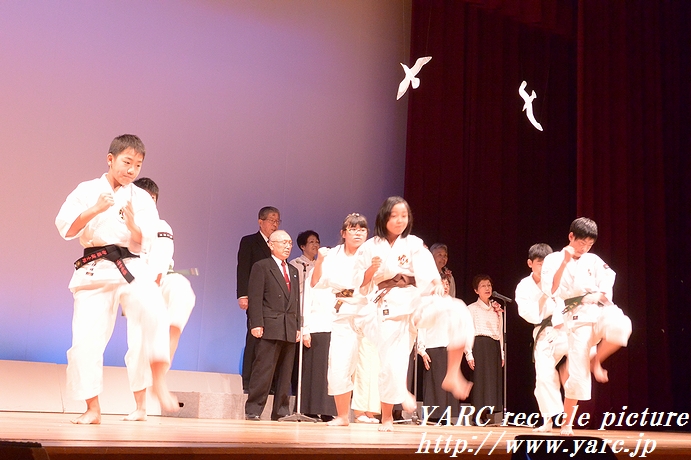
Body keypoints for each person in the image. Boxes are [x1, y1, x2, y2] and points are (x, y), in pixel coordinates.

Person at [55, 134, 177, 424]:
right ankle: (92, 408)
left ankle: (144, 400)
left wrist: (134, 227)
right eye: (127, 162)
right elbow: (66, 229)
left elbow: (147, 242)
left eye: (138, 165)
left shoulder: (142, 198)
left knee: (148, 327)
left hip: (131, 268)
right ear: (110, 159)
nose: (132, 170)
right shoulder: (87, 190)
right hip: (94, 269)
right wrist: (95, 209)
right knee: (85, 342)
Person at [355, 196, 473, 432]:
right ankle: (387, 417)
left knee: (458, 310)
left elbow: (430, 275)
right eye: (395, 216)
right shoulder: (369, 247)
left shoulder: (415, 244)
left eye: (404, 216)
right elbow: (359, 284)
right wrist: (371, 270)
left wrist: (436, 284)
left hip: (416, 301)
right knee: (391, 363)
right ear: (384, 217)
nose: (400, 220)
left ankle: (452, 374)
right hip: (387, 304)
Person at [540, 217, 631, 435]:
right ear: (571, 236)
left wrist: (598, 295)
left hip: (598, 310)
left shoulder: (593, 260)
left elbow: (607, 282)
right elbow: (551, 290)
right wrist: (564, 262)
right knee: (578, 375)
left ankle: (596, 360)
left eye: (590, 244)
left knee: (621, 325)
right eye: (582, 243)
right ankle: (567, 423)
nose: (585, 248)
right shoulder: (553, 259)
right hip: (576, 319)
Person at [123, 177, 197, 421]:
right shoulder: (120, 225)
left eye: (151, 199)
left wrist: (156, 274)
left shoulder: (161, 225)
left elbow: (163, 256)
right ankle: (140, 407)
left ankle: (161, 373)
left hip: (161, 279)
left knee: (182, 291)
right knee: (137, 347)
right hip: (133, 286)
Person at [309, 213, 372, 426]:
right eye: (353, 229)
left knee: (370, 365)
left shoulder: (372, 252)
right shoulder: (332, 254)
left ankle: (373, 414)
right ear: (343, 233)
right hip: (343, 313)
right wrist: (319, 260)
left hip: (368, 312)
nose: (358, 233)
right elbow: (316, 283)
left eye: (362, 229)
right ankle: (343, 415)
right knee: (339, 364)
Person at [244, 230, 300, 420]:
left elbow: (296, 301)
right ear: (271, 245)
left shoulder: (293, 271)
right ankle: (253, 410)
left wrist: (298, 326)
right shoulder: (262, 266)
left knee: (285, 373)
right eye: (283, 242)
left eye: (289, 243)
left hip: (289, 326)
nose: (287, 246)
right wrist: (256, 323)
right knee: (263, 370)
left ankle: (281, 411)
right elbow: (255, 297)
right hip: (269, 325)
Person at [515, 243, 568, 432]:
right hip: (544, 333)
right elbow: (529, 314)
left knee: (578, 367)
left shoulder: (560, 279)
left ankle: (568, 421)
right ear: (530, 263)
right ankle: (548, 420)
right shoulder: (524, 286)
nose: (544, 268)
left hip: (566, 329)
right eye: (540, 263)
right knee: (544, 377)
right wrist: (545, 295)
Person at [237, 206, 281, 392]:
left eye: (277, 221)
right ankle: (248, 381)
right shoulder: (249, 241)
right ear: (260, 222)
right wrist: (243, 295)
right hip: (256, 298)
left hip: (274, 301)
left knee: (271, 342)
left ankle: (268, 383)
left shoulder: (278, 245)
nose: (275, 224)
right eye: (272, 220)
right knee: (254, 338)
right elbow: (243, 268)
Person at [416, 273, 472, 421]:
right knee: (435, 385)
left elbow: (462, 331)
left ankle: (449, 416)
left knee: (462, 312)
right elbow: (421, 328)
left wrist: (468, 352)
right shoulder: (429, 303)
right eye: (442, 283)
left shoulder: (454, 305)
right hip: (433, 346)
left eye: (447, 284)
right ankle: (433, 416)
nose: (445, 287)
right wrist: (421, 349)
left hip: (449, 347)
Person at [465, 275, 504, 425]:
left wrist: (501, 353)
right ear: (476, 290)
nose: (487, 288)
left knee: (492, 381)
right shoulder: (471, 309)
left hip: (493, 345)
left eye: (489, 285)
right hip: (479, 345)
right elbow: (467, 332)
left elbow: (500, 332)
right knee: (480, 381)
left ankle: (487, 413)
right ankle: (477, 415)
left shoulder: (496, 308)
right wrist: (469, 353)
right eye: (483, 286)